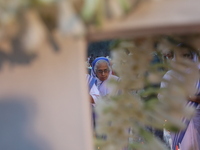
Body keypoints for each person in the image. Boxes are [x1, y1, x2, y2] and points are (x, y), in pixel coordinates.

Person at [160, 46, 200, 150]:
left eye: (187, 55)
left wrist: (191, 97)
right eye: (181, 56)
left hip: (196, 121)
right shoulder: (169, 76)